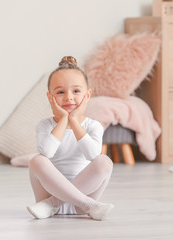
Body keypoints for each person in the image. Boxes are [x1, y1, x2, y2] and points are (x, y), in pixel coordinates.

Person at [27, 56, 114, 221]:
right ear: (50, 97)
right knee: (37, 160)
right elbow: (47, 151)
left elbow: (92, 155)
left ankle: (55, 203)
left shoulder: (93, 126)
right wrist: (64, 120)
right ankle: (89, 205)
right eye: (60, 92)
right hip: (49, 194)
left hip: (71, 205)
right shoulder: (44, 125)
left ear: (87, 96)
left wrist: (73, 121)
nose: (68, 97)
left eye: (76, 91)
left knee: (104, 161)